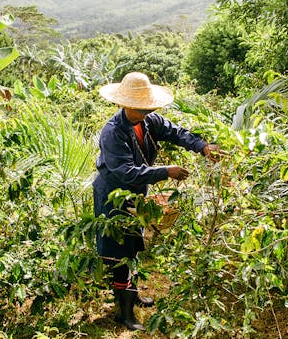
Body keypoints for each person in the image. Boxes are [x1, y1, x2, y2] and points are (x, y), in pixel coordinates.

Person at [93, 72, 220, 331]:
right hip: (113, 194)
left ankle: (133, 294)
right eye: (141, 108)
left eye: (147, 107)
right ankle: (125, 314)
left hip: (136, 192)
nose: (146, 111)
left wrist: (202, 146)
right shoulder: (112, 132)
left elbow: (176, 133)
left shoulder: (149, 121)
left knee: (134, 243)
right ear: (125, 104)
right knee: (119, 251)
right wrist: (166, 171)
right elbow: (126, 171)